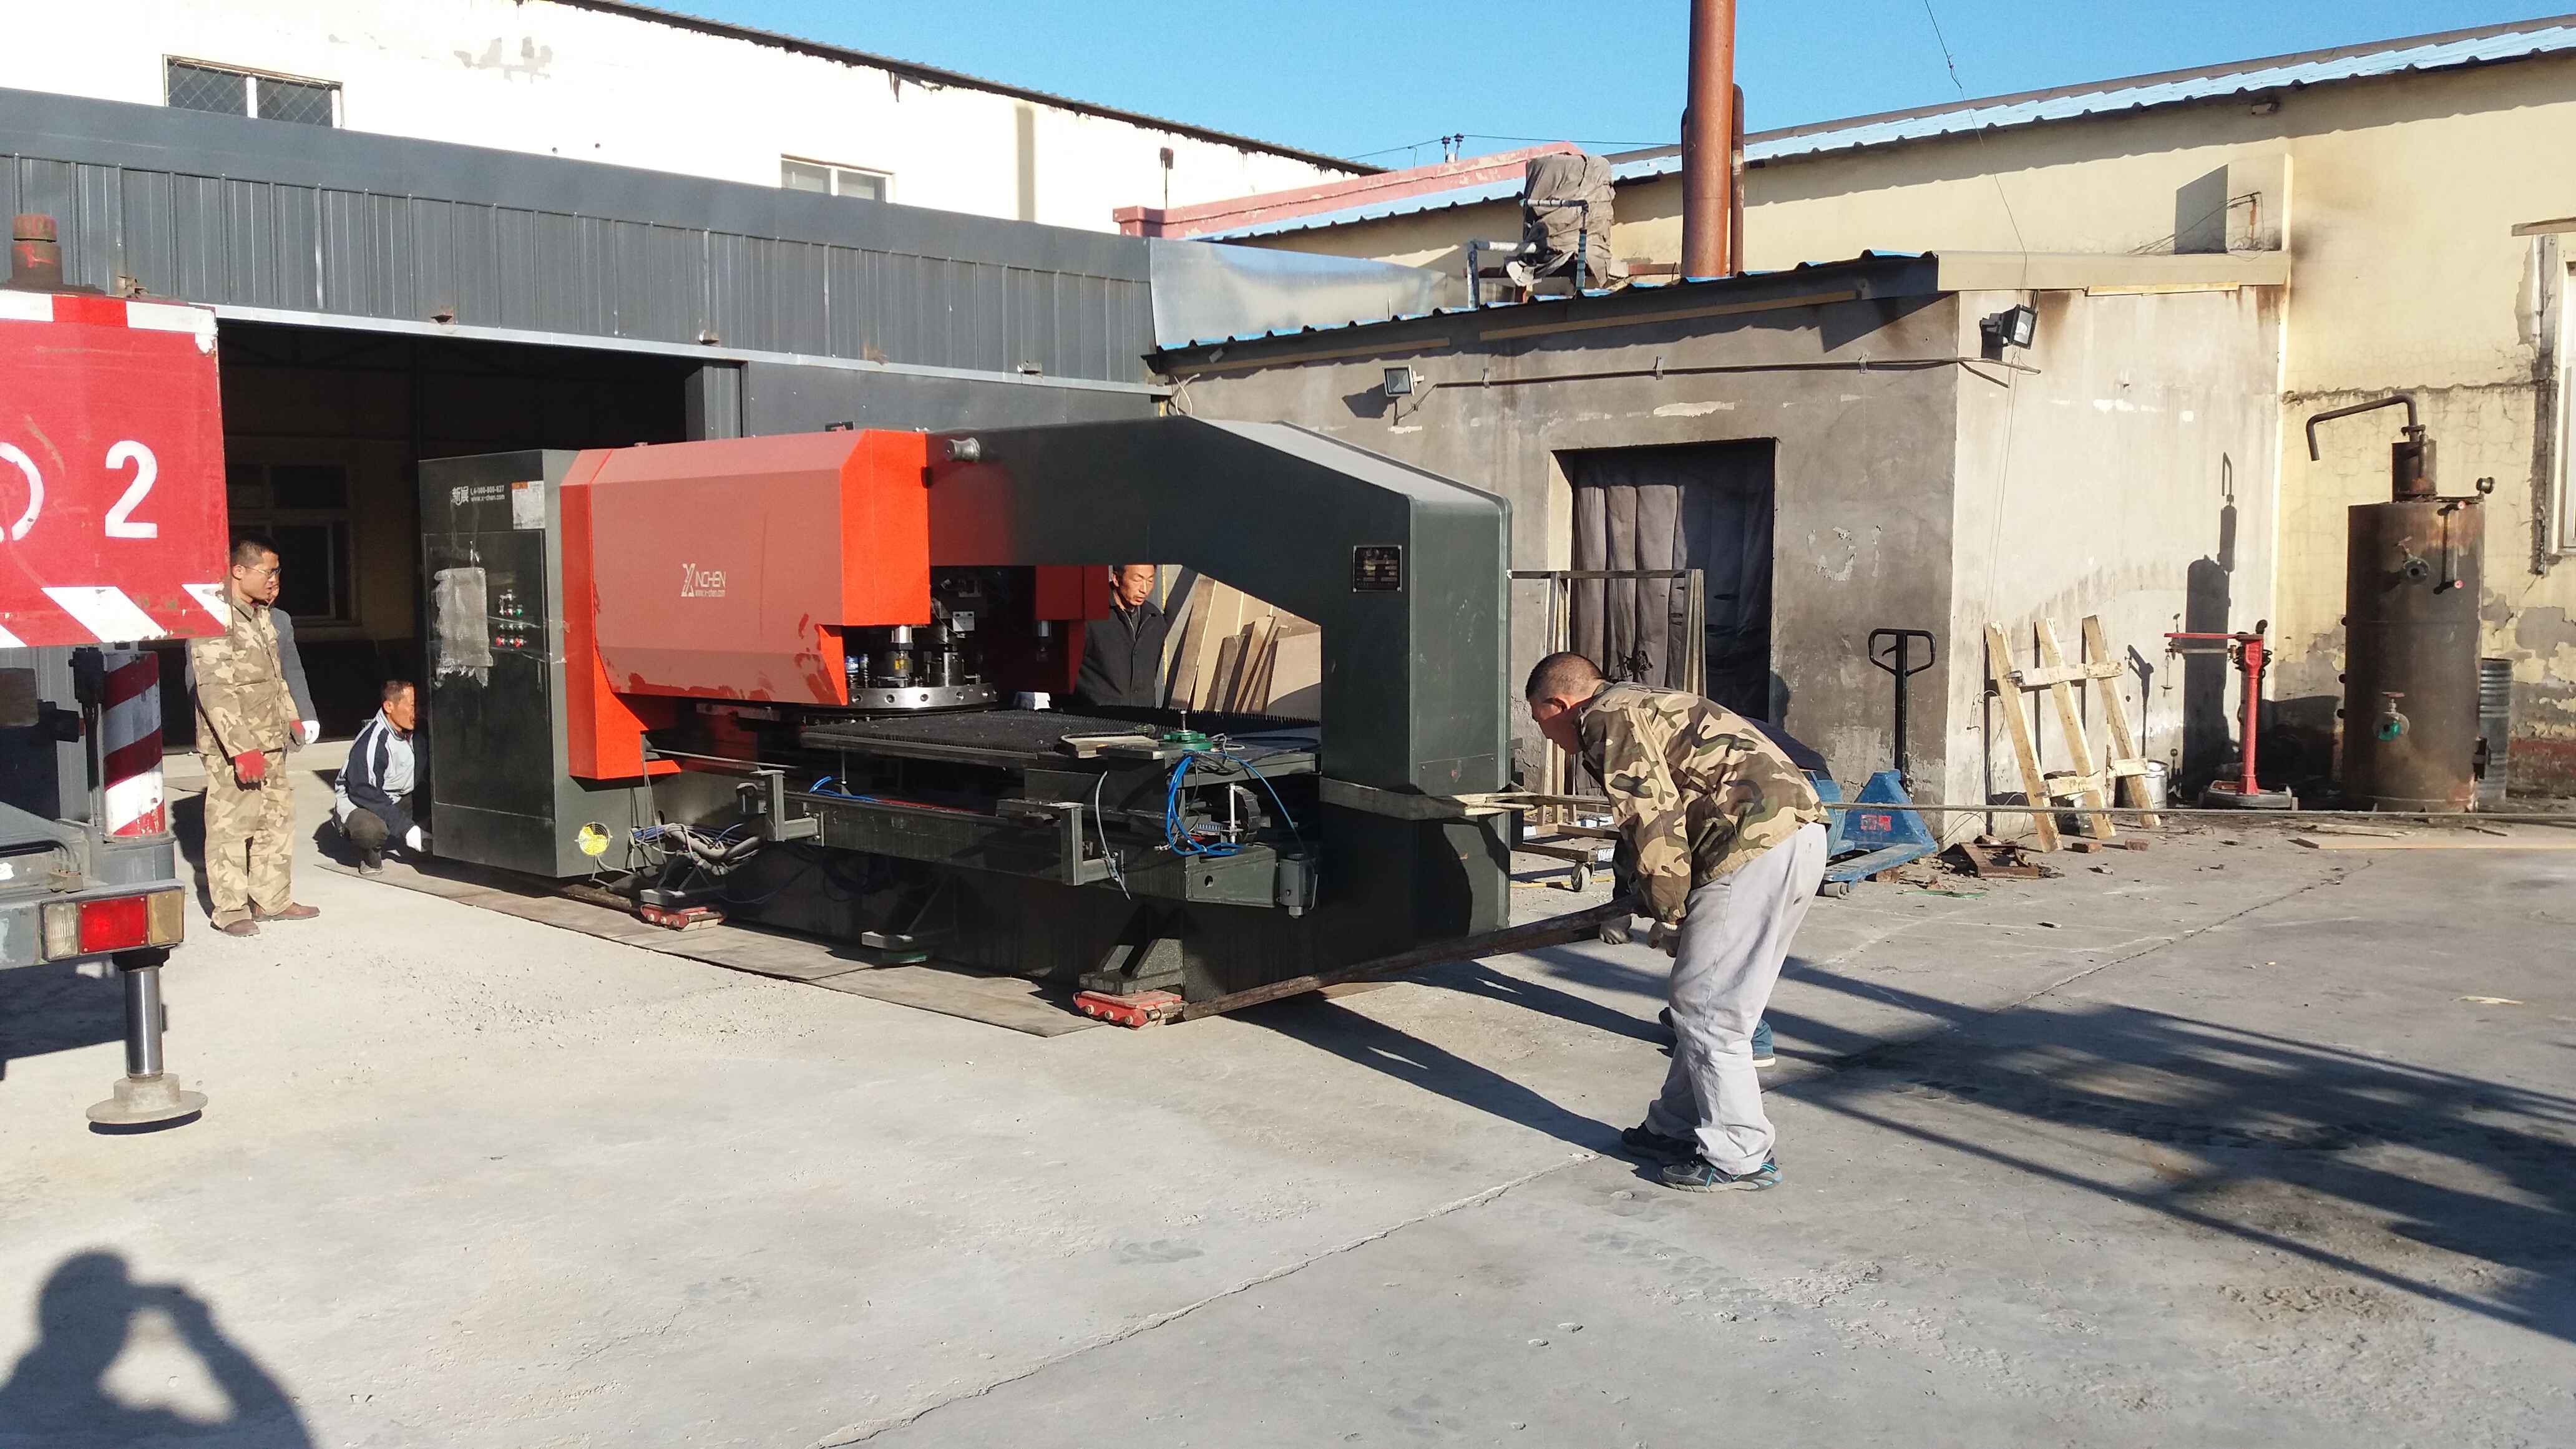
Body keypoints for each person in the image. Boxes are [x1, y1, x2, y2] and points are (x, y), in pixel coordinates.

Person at [1526, 651, 1826, 1193]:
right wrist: (1643, 897)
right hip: (1793, 837)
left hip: (1749, 848)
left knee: (1709, 1010)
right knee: (1714, 1001)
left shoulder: (1606, 718)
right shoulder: (1639, 702)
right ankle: (1674, 1126)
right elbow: (1648, 822)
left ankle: (1740, 1155)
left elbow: (1654, 822)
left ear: (1560, 704)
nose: (1544, 735)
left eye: (1540, 720)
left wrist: (1669, 914)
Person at [188, 537, 320, 936]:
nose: (274, 579)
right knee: (232, 825)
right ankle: (230, 910)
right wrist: (242, 749)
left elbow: (276, 676)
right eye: (268, 571)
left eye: (277, 571)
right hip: (236, 746)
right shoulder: (214, 618)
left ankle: (271, 899)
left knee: (276, 820)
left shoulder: (262, 615)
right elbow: (215, 689)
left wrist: (293, 718)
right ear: (238, 571)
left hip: (271, 739)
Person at [336, 680, 423, 874]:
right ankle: (370, 856)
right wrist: (406, 828)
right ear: (389, 707)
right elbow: (364, 792)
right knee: (369, 830)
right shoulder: (373, 741)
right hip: (364, 803)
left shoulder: (414, 732)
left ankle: (421, 845)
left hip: (399, 797)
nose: (416, 712)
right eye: (411, 706)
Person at [1073, 564, 1169, 709]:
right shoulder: (1090, 615)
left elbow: (1152, 673)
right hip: (1093, 716)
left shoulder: (1154, 619)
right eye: (1137, 580)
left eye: (1150, 581)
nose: (1144, 589)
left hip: (1141, 717)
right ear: (1116, 579)